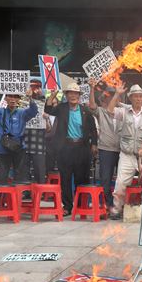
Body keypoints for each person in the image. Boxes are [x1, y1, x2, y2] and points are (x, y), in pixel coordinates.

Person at [45, 83, 98, 216]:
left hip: (82, 148)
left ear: (79, 96)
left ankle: (80, 206)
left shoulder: (85, 111)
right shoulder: (61, 108)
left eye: (75, 93)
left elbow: (93, 130)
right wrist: (52, 95)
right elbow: (48, 109)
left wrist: (94, 145)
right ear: (66, 95)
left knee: (82, 178)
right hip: (65, 148)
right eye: (70, 93)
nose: (73, 96)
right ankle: (67, 206)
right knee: (66, 178)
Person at [107, 84, 142, 220]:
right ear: (130, 98)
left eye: (141, 96)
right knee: (120, 184)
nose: (138, 99)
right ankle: (117, 209)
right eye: (135, 96)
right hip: (127, 154)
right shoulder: (124, 111)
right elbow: (110, 110)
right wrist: (117, 94)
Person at [0, 90, 38, 184]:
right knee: (2, 176)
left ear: (19, 99)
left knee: (20, 177)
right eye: (10, 96)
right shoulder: (0, 111)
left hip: (18, 148)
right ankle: (1, 197)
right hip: (2, 149)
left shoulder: (22, 113)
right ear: (5, 98)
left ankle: (17, 198)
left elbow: (34, 111)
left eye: (16, 97)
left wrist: (30, 98)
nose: (13, 99)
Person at [88, 78, 122, 209]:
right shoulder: (101, 112)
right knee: (105, 179)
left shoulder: (123, 111)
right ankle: (108, 204)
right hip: (106, 149)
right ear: (104, 98)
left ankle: (120, 205)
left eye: (115, 95)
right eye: (109, 95)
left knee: (122, 180)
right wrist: (92, 88)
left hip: (122, 150)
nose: (112, 98)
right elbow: (92, 106)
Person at [24, 80, 51, 183]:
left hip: (39, 142)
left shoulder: (44, 103)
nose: (36, 90)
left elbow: (49, 128)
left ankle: (40, 190)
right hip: (24, 140)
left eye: (38, 87)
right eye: (33, 87)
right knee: (24, 169)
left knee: (39, 169)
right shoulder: (22, 102)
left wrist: (47, 118)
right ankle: (25, 191)